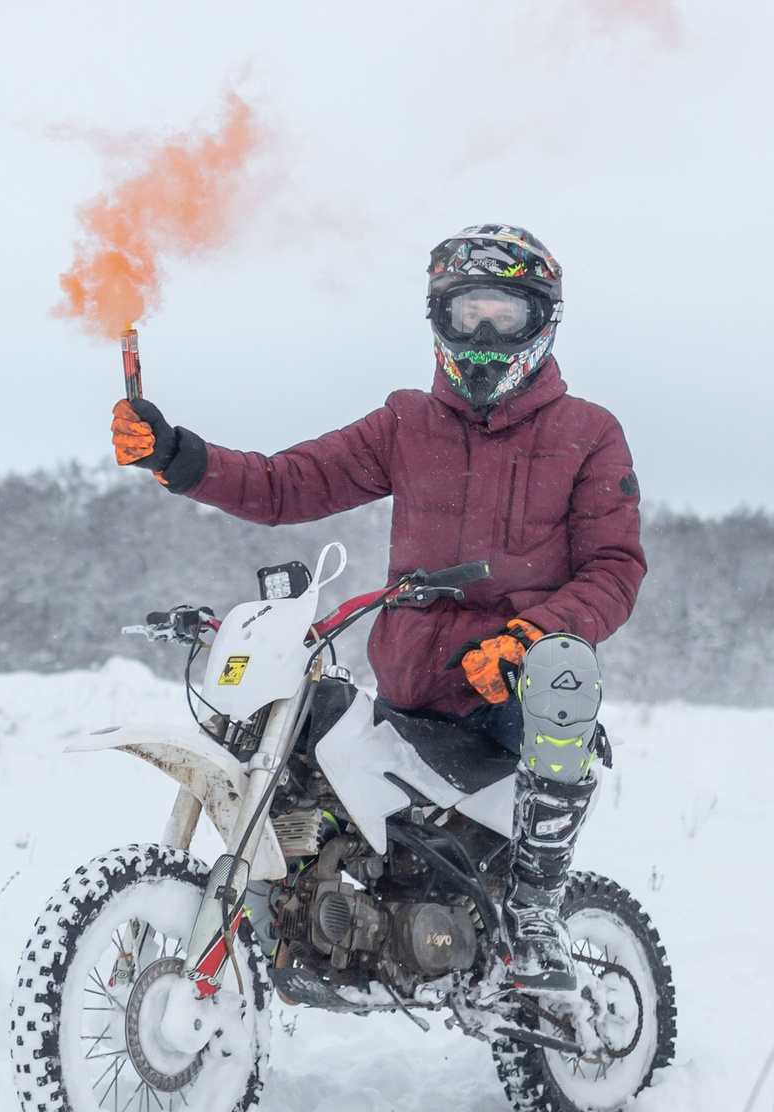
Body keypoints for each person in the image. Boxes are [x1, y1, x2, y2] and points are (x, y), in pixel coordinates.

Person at [108, 225, 645, 993]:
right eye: (468, 315)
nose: (484, 334)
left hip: (516, 702)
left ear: (542, 319)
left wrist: (528, 635)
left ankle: (535, 909)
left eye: (504, 315)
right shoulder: (406, 422)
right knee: (303, 716)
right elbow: (285, 483)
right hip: (413, 687)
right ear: (439, 318)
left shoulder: (588, 434)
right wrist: (175, 454)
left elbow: (615, 567)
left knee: (563, 663)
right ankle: (301, 915)